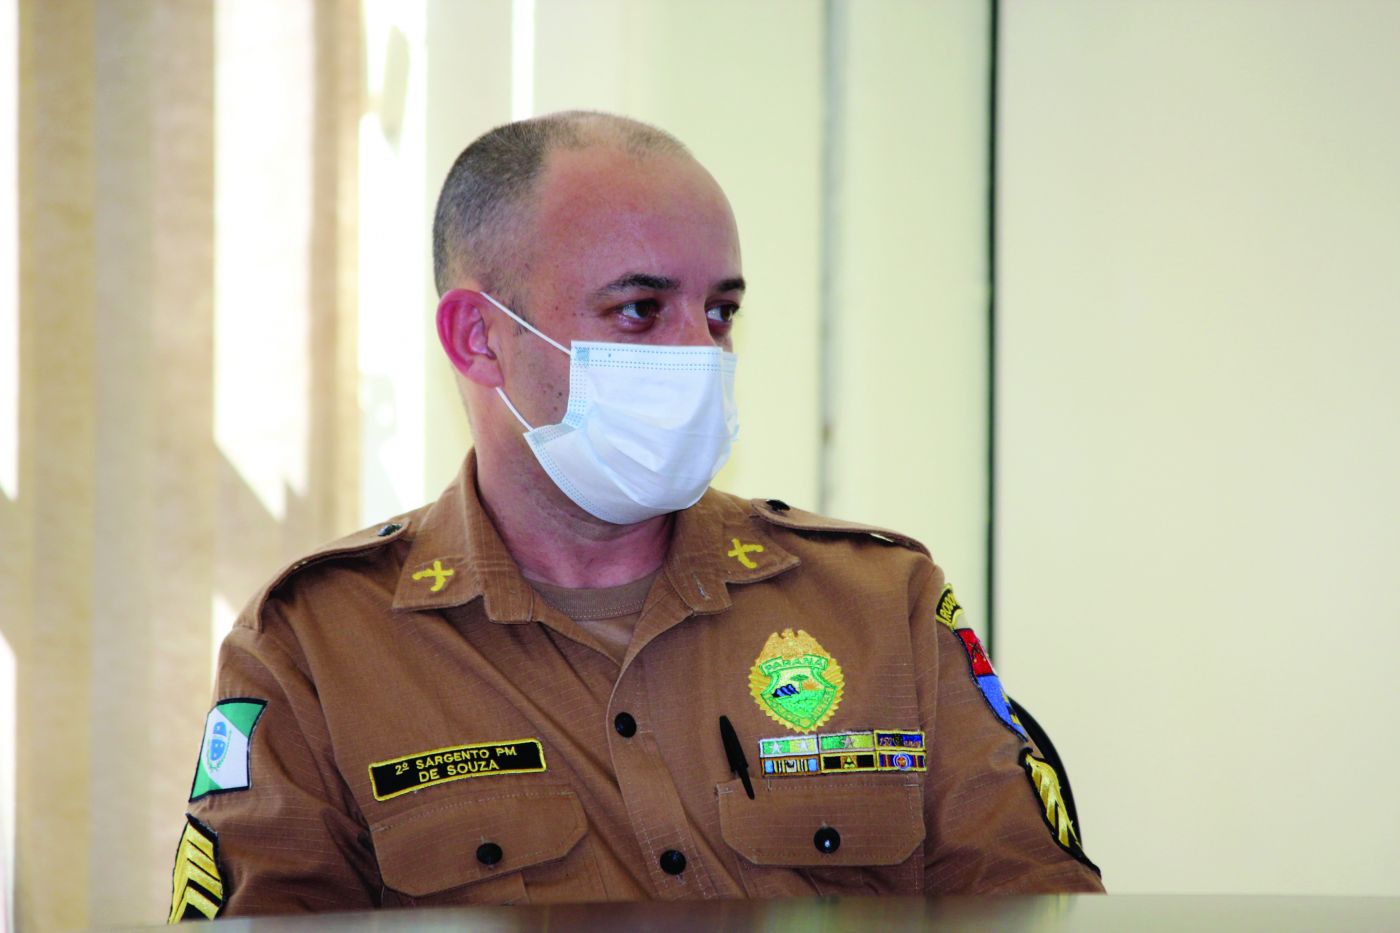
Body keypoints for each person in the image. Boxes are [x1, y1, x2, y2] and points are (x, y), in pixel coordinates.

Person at [168, 111, 1103, 921]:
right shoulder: (318, 647)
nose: (700, 351)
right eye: (640, 309)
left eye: (721, 312)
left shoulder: (879, 602)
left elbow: (1033, 902)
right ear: (479, 336)